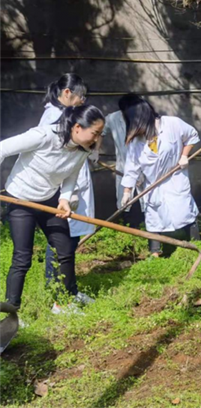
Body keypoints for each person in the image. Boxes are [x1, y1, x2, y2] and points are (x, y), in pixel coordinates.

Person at [0, 105, 105, 313]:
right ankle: (11, 310)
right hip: (20, 199)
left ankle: (63, 303)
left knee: (65, 249)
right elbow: (2, 148)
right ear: (77, 127)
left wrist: (64, 199)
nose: (97, 139)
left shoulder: (82, 150)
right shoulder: (43, 136)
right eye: (95, 133)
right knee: (22, 257)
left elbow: (70, 177)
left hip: (49, 199)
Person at [38, 75, 97, 305]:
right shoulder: (54, 117)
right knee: (61, 241)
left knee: (68, 241)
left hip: (71, 185)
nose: (83, 102)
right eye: (81, 98)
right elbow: (52, 158)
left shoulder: (61, 114)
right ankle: (58, 297)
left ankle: (68, 292)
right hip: (64, 190)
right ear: (67, 93)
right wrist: (66, 191)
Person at [120, 96, 200, 258]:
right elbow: (131, 167)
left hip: (175, 177)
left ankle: (196, 244)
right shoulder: (137, 141)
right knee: (154, 217)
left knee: (184, 211)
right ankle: (155, 253)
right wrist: (127, 192)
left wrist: (184, 156)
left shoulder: (172, 124)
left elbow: (192, 136)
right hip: (152, 184)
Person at [102, 94, 145, 227]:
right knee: (126, 203)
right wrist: (95, 151)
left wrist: (143, 172)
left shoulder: (145, 119)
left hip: (145, 168)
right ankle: (130, 232)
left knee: (146, 203)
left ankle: (147, 231)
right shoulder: (113, 118)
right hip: (124, 168)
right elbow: (99, 131)